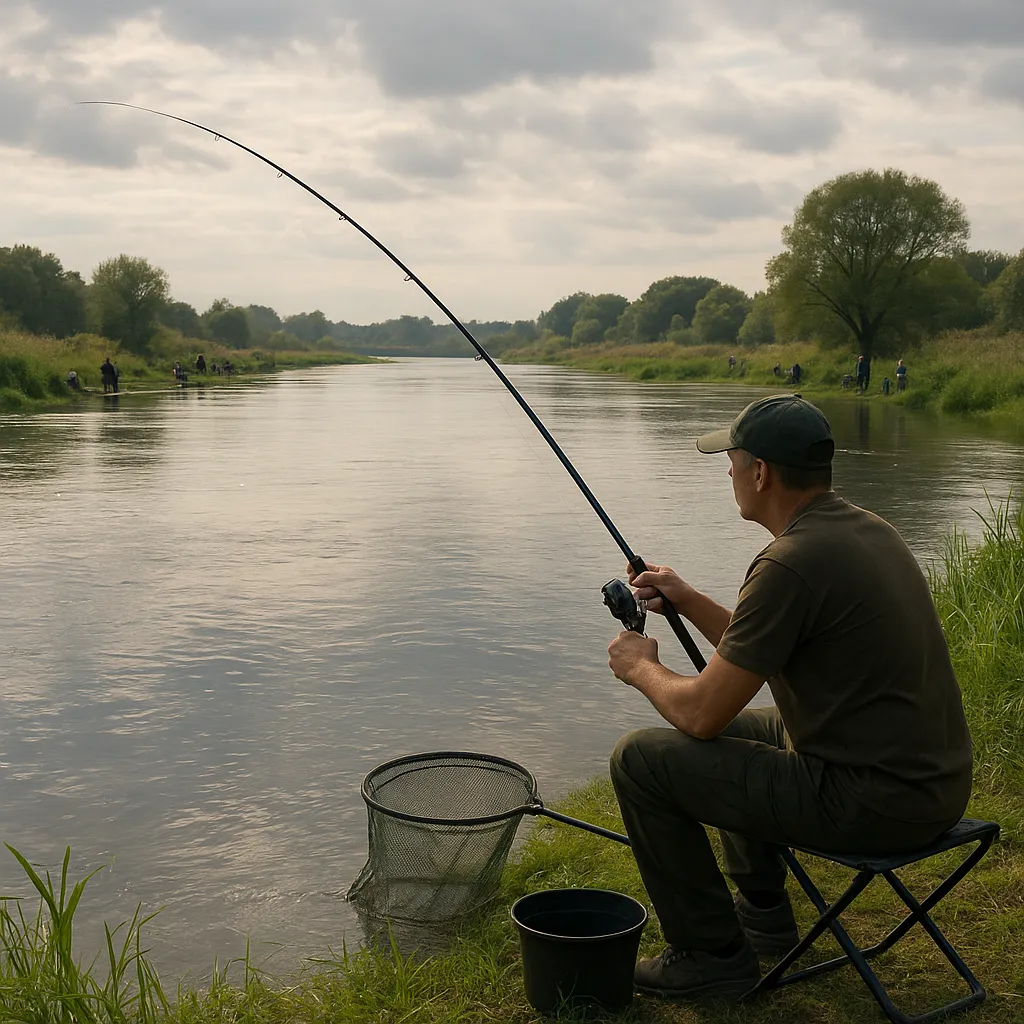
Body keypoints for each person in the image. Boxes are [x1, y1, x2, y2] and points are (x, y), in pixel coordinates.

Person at [606, 394, 972, 1001]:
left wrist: (642, 668)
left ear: (762, 472)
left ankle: (709, 956)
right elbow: (762, 655)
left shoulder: (789, 562)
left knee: (640, 759)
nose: (727, 469)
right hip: (929, 783)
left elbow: (699, 713)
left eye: (733, 457)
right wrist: (687, 597)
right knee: (744, 730)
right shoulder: (864, 529)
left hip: (874, 802)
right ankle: (764, 918)